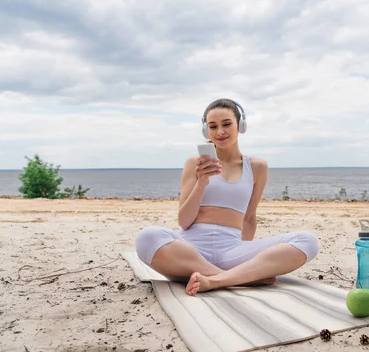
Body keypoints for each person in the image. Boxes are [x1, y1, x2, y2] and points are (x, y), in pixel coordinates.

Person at [135, 98, 319, 295]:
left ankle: (215, 280)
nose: (220, 131)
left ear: (240, 125)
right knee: (147, 237)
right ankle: (240, 279)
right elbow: (184, 222)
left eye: (226, 124)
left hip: (232, 249)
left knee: (307, 240)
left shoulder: (257, 167)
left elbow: (249, 218)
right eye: (213, 126)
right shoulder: (194, 163)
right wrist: (201, 183)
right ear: (206, 131)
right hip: (191, 250)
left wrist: (246, 257)